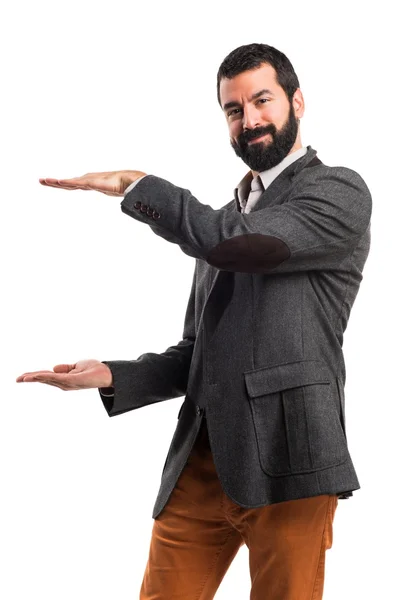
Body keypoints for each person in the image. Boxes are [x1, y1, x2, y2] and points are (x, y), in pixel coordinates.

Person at [16, 43, 372, 599]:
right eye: (234, 110)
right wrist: (111, 374)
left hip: (289, 457)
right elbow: (197, 352)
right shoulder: (222, 221)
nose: (249, 120)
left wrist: (137, 186)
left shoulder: (336, 192)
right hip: (203, 457)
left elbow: (234, 246)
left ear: (296, 101)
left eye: (262, 101)